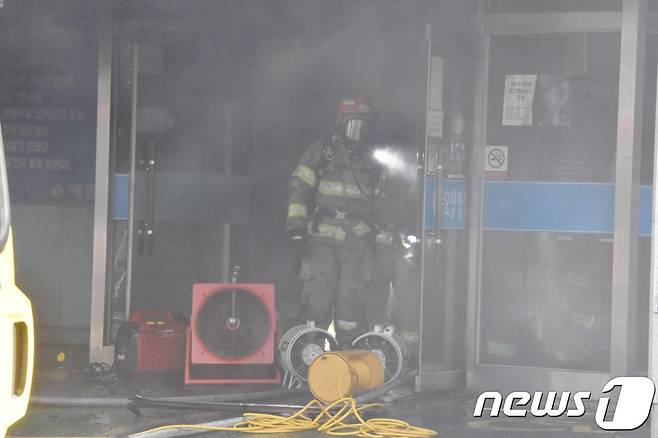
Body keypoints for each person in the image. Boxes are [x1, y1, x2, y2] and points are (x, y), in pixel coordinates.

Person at [286, 95, 384, 347]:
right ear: (341, 124)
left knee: (352, 302)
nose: (358, 133)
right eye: (353, 125)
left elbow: (387, 200)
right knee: (317, 301)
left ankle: (352, 363)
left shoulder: (376, 160)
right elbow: (299, 192)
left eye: (364, 127)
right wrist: (297, 232)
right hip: (321, 240)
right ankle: (309, 357)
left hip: (358, 240)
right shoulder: (321, 152)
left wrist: (383, 230)